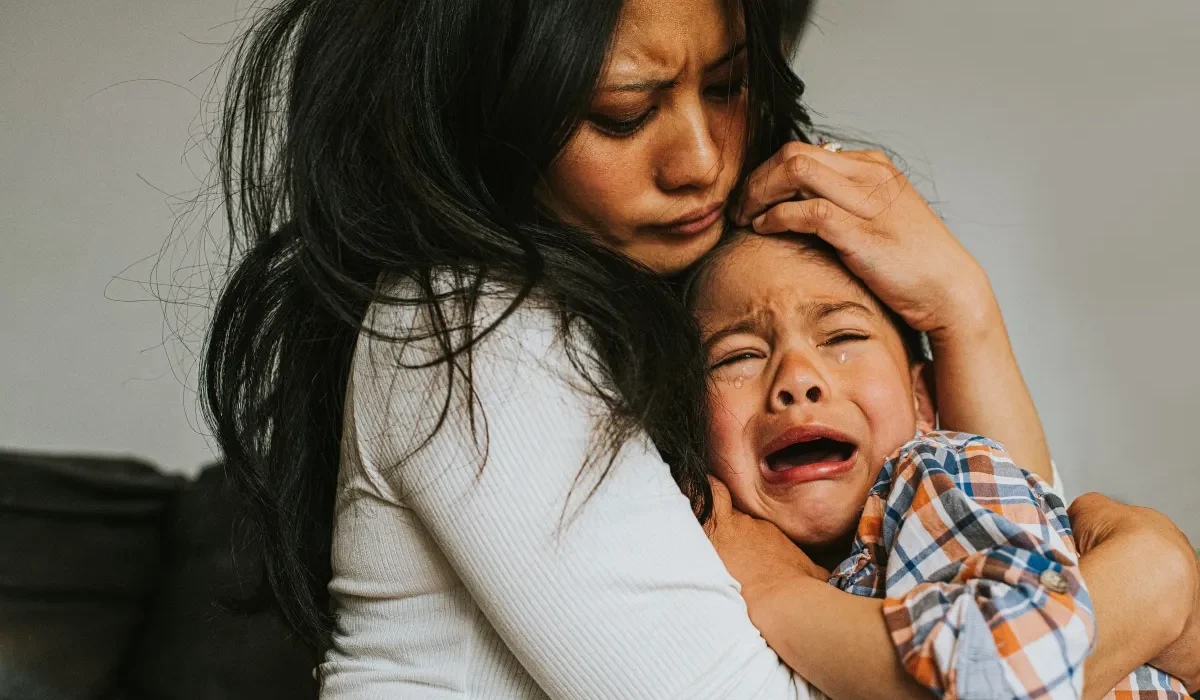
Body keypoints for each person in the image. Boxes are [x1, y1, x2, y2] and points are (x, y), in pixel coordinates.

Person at [199, 0, 1200, 697]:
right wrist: (1151, 590)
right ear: (493, 119)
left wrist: (962, 312)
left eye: (726, 85)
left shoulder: (678, 295)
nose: (703, 160)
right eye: (624, 113)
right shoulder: (465, 321)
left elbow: (1003, 561)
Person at [686, 231, 1192, 698]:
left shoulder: (939, 469)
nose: (798, 379)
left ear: (921, 399)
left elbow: (1011, 666)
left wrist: (779, 592)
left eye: (842, 339)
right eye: (737, 357)